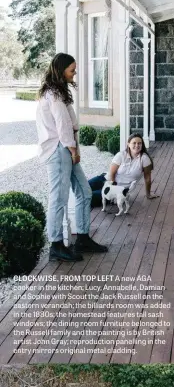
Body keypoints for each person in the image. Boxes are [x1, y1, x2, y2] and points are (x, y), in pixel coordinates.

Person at [36, 53, 108, 262]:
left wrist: (74, 149)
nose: (74, 73)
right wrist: (73, 150)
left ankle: (83, 238)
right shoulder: (53, 94)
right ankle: (56, 245)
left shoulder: (59, 91)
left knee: (85, 191)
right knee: (58, 198)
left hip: (66, 149)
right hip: (58, 150)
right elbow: (63, 125)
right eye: (71, 70)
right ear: (60, 71)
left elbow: (68, 124)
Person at [89, 133, 159, 207]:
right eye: (134, 143)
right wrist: (112, 186)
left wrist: (148, 194)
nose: (137, 145)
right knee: (83, 188)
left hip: (118, 191)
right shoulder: (121, 155)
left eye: (139, 143)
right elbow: (112, 173)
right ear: (128, 144)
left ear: (142, 145)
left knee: (88, 197)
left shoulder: (144, 159)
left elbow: (147, 178)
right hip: (105, 180)